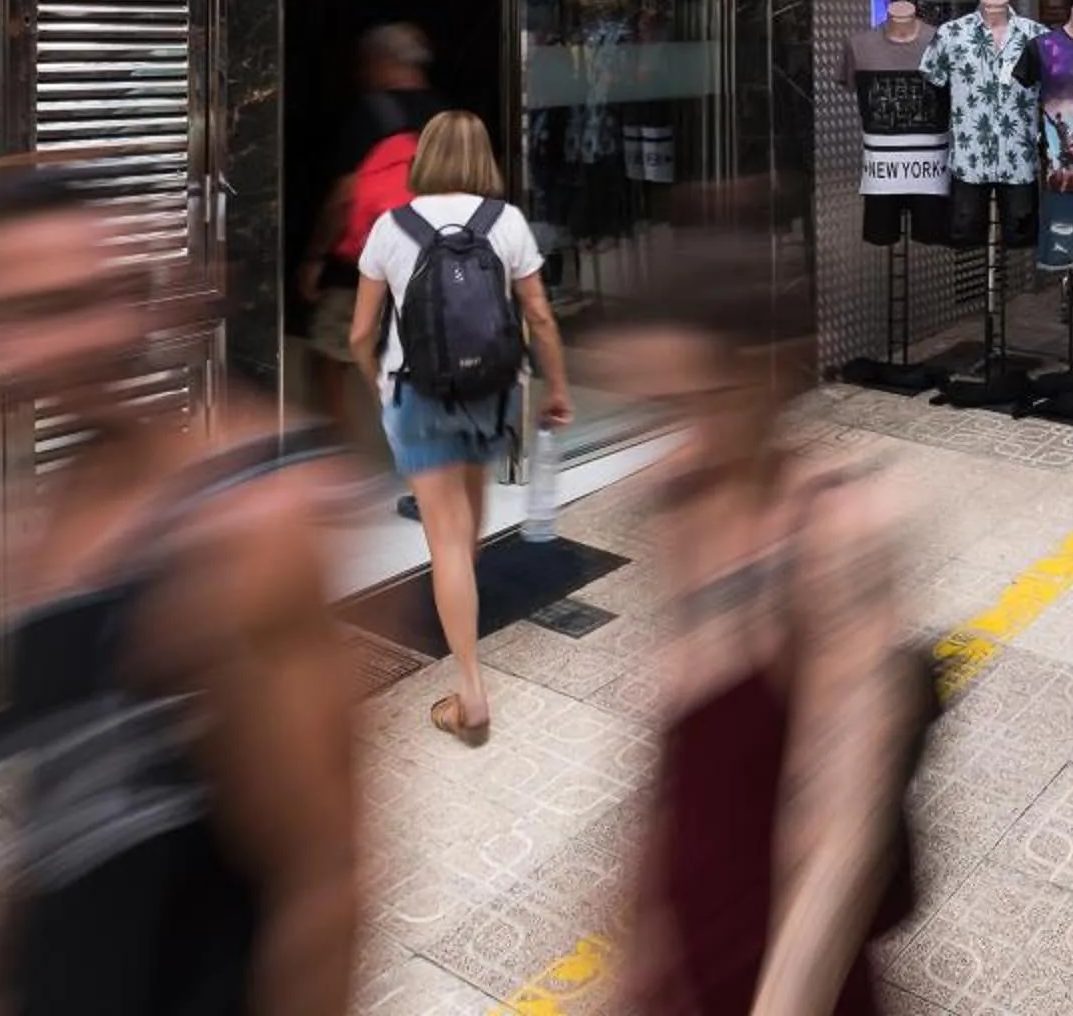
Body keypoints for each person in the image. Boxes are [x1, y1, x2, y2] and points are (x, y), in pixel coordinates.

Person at [0, 160, 362, 1016]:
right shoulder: (50, 507)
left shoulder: (243, 536)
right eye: (2, 313)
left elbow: (322, 880)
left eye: (62, 305)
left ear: (137, 298)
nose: (17, 350)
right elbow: (53, 818)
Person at [607, 210, 920, 1014]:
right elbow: (668, 775)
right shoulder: (678, 503)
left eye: (703, 404)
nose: (682, 439)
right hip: (689, 963)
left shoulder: (834, 533)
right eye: (661, 409)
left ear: (769, 376)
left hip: (790, 979)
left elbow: (841, 834)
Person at [350, 109, 572, 744]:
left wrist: (379, 384)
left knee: (446, 543)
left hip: (419, 397)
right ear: (482, 157)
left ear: (425, 157)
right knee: (465, 536)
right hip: (493, 394)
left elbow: (361, 333)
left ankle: (471, 692)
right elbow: (539, 314)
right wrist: (557, 388)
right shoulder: (506, 223)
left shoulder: (391, 228)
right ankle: (465, 627)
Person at [296, 24, 453, 488]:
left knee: (328, 357)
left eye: (367, 63)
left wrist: (314, 256)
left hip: (367, 264)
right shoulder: (446, 116)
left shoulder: (372, 112)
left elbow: (346, 195)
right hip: (432, 258)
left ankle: (338, 462)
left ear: (384, 63)